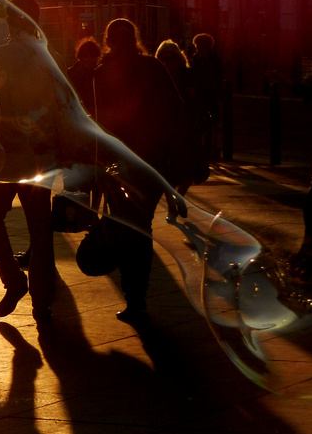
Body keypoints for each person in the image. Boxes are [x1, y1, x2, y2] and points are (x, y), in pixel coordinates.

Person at [93, 18, 188, 324]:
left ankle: (133, 295)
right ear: (135, 38)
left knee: (125, 225)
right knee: (142, 226)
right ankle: (138, 296)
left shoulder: (102, 72)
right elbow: (176, 111)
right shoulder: (153, 68)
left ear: (108, 40)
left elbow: (99, 123)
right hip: (152, 162)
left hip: (120, 162)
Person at [0, 0, 56, 324]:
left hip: (6, 153)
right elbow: (61, 109)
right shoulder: (51, 60)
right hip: (39, 154)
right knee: (40, 229)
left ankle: (13, 279)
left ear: (9, 22)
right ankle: (42, 304)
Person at [155, 39, 210, 192]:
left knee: (189, 168)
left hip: (188, 127)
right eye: (162, 59)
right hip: (167, 128)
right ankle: (173, 201)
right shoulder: (159, 78)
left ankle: (179, 197)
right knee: (169, 170)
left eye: (170, 58)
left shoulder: (189, 75)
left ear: (178, 58)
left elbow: (201, 98)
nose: (166, 62)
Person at [189, 32, 222, 160]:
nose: (198, 50)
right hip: (199, 95)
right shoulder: (195, 59)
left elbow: (216, 78)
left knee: (210, 124)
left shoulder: (213, 61)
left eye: (200, 47)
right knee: (199, 123)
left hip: (209, 95)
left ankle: (208, 147)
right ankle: (201, 147)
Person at [66, 37, 101, 116]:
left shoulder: (98, 73)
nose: (90, 59)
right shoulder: (71, 74)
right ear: (80, 57)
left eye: (93, 56)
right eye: (87, 56)